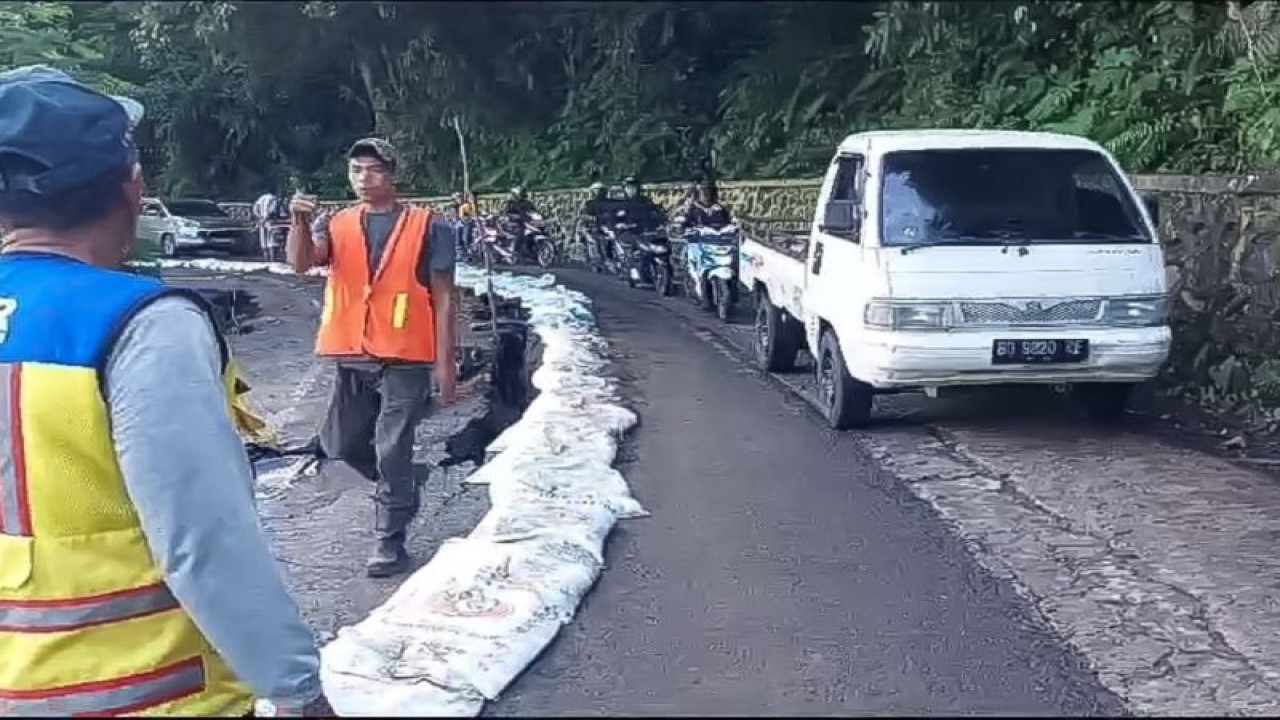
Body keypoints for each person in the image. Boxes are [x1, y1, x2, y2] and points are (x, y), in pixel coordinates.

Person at [0, 66, 331, 717]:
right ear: (133, 188)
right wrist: (299, 693)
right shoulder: (141, 324)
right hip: (148, 693)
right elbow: (205, 542)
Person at [286, 137, 458, 578]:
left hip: (405, 356)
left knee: (392, 446)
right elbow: (302, 265)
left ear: (393, 174)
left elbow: (443, 297)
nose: (364, 178)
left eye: (374, 169)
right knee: (340, 446)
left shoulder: (429, 226)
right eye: (357, 170)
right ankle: (402, 484)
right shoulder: (337, 223)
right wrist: (299, 223)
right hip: (354, 355)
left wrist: (445, 363)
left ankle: (389, 541)